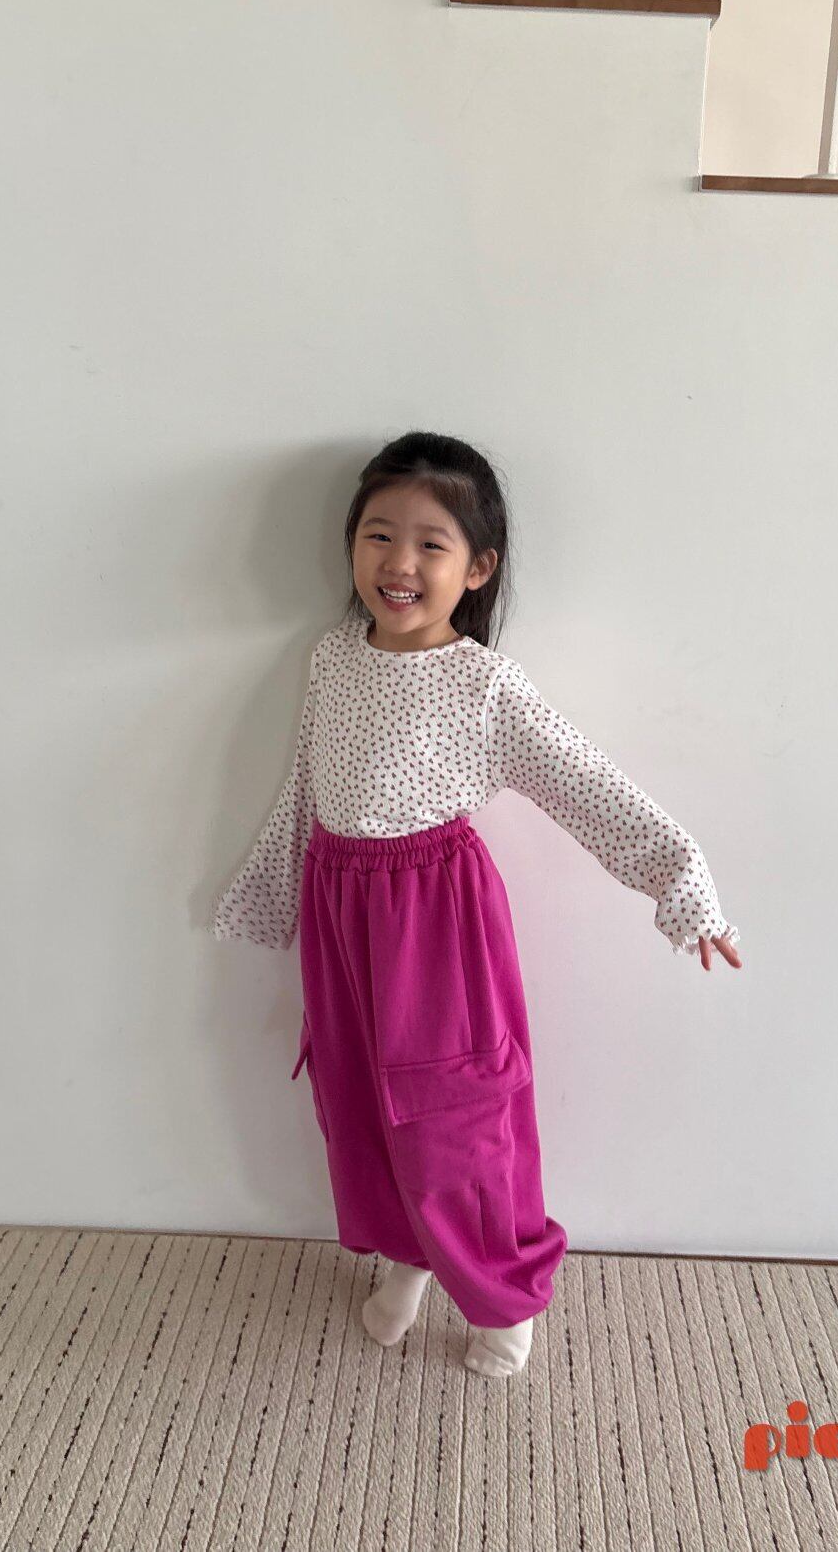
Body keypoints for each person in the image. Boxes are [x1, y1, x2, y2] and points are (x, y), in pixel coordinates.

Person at [212, 431, 742, 1377]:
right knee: (357, 1104)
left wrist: (681, 880)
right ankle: (406, 1258)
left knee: (454, 1119)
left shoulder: (484, 685)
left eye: (431, 543)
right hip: (340, 913)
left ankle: (503, 1294)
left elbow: (586, 785)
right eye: (379, 535)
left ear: (478, 567)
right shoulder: (332, 659)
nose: (400, 563)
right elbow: (304, 788)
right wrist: (271, 896)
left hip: (433, 923)